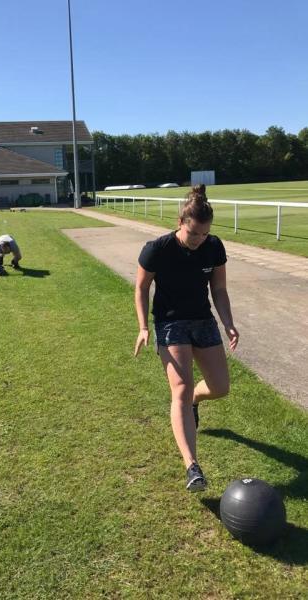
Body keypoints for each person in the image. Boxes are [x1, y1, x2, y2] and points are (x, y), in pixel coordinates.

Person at [134, 184, 239, 492]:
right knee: (181, 387)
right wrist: (143, 327)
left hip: (202, 320)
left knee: (220, 387)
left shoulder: (214, 247)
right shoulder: (157, 249)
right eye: (193, 233)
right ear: (180, 222)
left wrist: (228, 323)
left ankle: (195, 400)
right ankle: (192, 466)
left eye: (204, 234)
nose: (198, 240)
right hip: (170, 322)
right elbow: (141, 289)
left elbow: (218, 290)